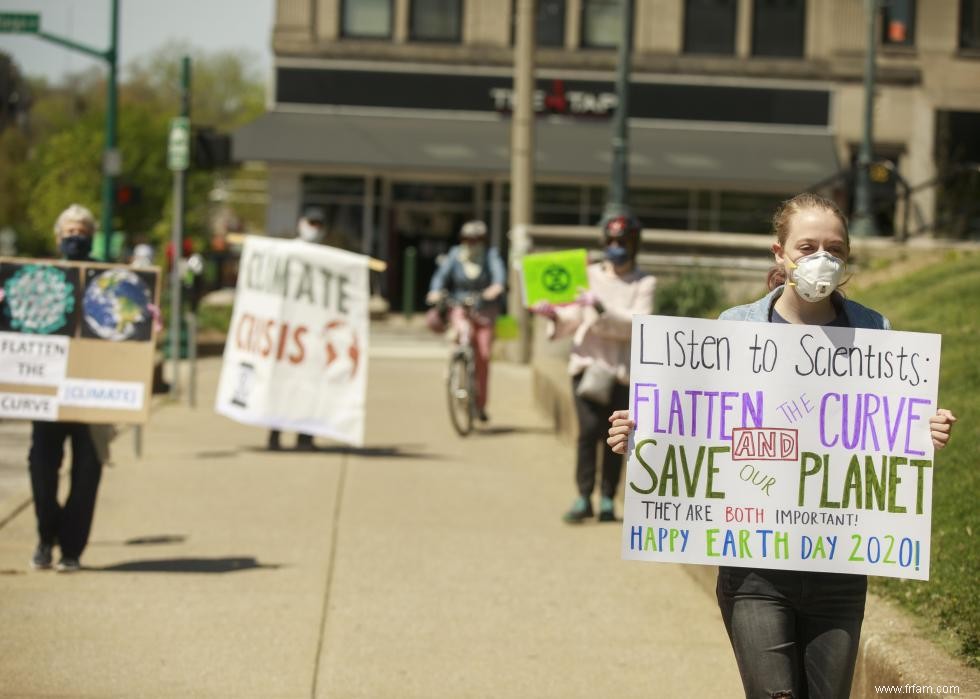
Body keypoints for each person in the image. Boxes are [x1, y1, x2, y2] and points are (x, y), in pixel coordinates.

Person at [606, 193, 958, 698]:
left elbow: (881, 428)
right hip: (755, 570)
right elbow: (700, 420)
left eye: (834, 249)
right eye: (808, 246)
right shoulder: (737, 327)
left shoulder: (875, 330)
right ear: (780, 253)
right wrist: (643, 432)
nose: (822, 259)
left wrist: (924, 431)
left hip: (839, 570)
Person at [530, 215, 655, 524]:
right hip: (586, 368)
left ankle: (609, 499)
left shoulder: (644, 283)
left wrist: (599, 310)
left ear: (634, 245)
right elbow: (574, 317)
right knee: (587, 432)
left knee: (615, 440)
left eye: (622, 243)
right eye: (611, 242)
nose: (616, 248)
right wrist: (554, 316)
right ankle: (584, 495)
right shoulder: (588, 275)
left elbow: (637, 324)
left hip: (622, 374)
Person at [28, 204, 107, 572]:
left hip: (94, 393)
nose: (76, 238)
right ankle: (47, 536)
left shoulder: (109, 279)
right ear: (58, 238)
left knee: (87, 471)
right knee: (42, 467)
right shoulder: (39, 277)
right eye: (70, 232)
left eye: (82, 231)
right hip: (48, 391)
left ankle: (72, 549)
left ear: (91, 235)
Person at [425, 220, 505, 422]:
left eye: (476, 239)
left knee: (483, 356)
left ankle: (480, 404)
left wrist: (495, 288)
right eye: (468, 239)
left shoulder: (490, 255)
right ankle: (454, 361)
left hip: (484, 309)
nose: (471, 243)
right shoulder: (455, 254)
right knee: (459, 330)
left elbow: (499, 277)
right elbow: (440, 276)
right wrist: (435, 292)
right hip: (460, 304)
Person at [268, 206, 326, 451]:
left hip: (312, 333)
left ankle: (306, 436)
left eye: (318, 224)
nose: (314, 228)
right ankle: (274, 435)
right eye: (310, 222)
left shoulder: (327, 258)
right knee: (281, 384)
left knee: (309, 386)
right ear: (301, 223)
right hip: (286, 330)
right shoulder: (287, 253)